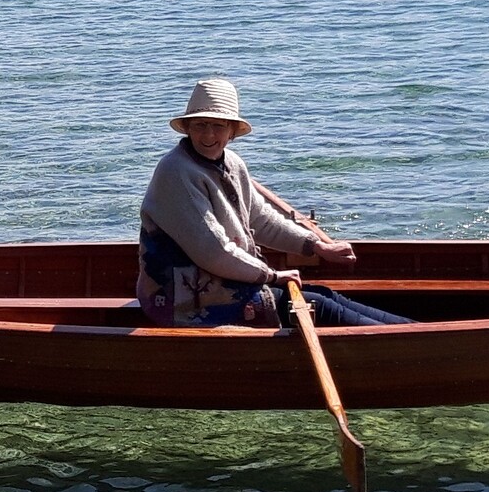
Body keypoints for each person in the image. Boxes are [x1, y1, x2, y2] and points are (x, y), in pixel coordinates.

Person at [139, 78, 407, 329]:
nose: (208, 135)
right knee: (321, 306)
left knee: (323, 295)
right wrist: (271, 275)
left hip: (226, 278)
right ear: (188, 128)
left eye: (218, 125)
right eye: (200, 125)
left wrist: (315, 245)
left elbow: (260, 218)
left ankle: (417, 333)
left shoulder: (232, 163)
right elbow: (214, 251)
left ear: (232, 131)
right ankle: (413, 344)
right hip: (186, 296)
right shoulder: (175, 171)